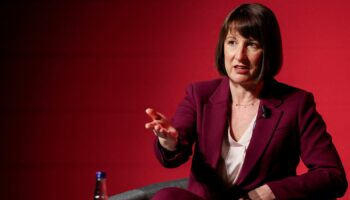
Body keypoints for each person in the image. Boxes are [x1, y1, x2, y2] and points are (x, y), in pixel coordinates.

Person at [145, 3, 347, 200]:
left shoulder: (297, 104)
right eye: (232, 42)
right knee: (167, 196)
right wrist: (169, 142)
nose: (239, 56)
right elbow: (174, 153)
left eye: (251, 44)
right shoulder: (200, 94)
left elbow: (332, 176)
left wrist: (270, 192)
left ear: (268, 51)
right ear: (222, 47)